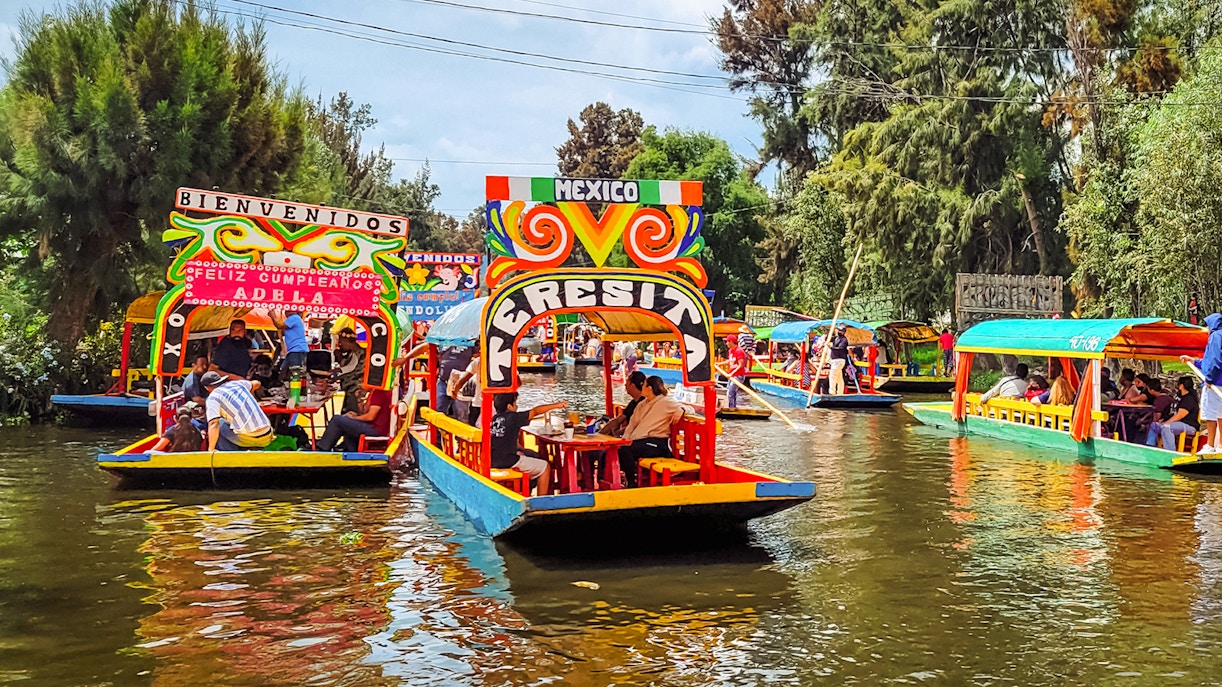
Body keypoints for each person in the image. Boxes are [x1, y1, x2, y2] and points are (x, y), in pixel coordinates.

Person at [489, 393, 565, 495]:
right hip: (508, 461)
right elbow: (535, 411)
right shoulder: (513, 417)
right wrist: (556, 405)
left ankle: (527, 490)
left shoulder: (494, 419)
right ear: (509, 406)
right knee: (544, 466)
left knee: (528, 454)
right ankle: (540, 502)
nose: (517, 406)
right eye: (515, 403)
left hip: (493, 460)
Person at [619, 376, 685, 487]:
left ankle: (631, 483)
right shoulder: (641, 404)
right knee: (618, 449)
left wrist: (681, 410)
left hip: (656, 443)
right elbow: (632, 425)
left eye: (644, 385)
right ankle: (620, 480)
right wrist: (624, 440)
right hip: (639, 440)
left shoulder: (665, 401)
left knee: (626, 451)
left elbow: (688, 408)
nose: (642, 387)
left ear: (650, 388)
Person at [201, 371, 273, 450]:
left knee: (220, 423)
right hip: (267, 434)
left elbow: (214, 424)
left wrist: (210, 449)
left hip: (248, 438)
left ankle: (230, 455)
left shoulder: (213, 397)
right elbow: (257, 383)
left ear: (207, 387)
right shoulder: (238, 384)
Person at [1182, 312, 1222, 454]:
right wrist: (1193, 361)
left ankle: (1211, 445)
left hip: (1215, 382)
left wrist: (1210, 379)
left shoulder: (1216, 337)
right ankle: (1220, 446)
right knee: (1220, 414)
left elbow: (1216, 361)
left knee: (1211, 414)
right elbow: (1208, 361)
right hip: (1219, 381)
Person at [317, 384, 392, 452]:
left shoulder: (379, 393)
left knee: (337, 420)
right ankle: (348, 449)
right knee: (345, 419)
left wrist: (354, 418)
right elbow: (364, 412)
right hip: (374, 427)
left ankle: (323, 448)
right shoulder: (374, 393)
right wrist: (359, 401)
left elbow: (370, 417)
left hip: (375, 429)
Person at [1147, 377, 1200, 451]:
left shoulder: (1189, 399)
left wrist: (1167, 422)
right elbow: (1171, 411)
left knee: (1167, 427)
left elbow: (1179, 415)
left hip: (1188, 425)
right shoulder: (1178, 397)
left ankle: (1170, 451)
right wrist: (1163, 419)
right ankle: (1150, 448)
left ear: (1181, 386)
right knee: (1154, 425)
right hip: (1175, 423)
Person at [601, 371, 648, 437]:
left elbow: (638, 426)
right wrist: (600, 433)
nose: (625, 385)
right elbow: (619, 420)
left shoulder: (645, 403)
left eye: (627, 383)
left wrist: (619, 432)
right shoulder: (633, 403)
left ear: (632, 385)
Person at [436, 346, 475, 418]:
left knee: (462, 415)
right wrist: (408, 357)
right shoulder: (441, 339)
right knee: (438, 411)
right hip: (443, 381)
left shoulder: (470, 341)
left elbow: (479, 354)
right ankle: (438, 429)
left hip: (461, 383)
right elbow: (427, 347)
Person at [334, 328, 367, 414]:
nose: (340, 345)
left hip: (356, 390)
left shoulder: (360, 354)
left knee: (350, 414)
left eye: (341, 343)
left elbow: (349, 370)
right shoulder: (353, 353)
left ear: (347, 342)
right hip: (350, 389)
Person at [724, 335, 748, 409]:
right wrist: (719, 364)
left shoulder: (739, 351)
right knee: (729, 392)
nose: (726, 343)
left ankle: (731, 408)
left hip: (738, 375)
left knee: (731, 392)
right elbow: (730, 361)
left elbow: (741, 365)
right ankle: (732, 407)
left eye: (727, 341)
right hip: (732, 375)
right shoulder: (730, 350)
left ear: (731, 342)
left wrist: (731, 373)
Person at [828, 324, 850, 395]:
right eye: (838, 330)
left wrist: (831, 347)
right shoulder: (836, 338)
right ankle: (840, 392)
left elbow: (840, 349)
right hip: (835, 360)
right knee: (839, 378)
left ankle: (832, 392)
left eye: (841, 330)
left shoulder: (844, 340)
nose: (839, 331)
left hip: (839, 360)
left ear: (843, 332)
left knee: (833, 375)